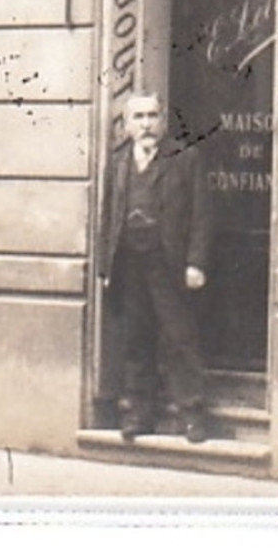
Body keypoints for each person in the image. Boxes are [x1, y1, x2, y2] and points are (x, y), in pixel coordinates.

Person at [97, 91, 214, 443]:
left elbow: (202, 215)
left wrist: (196, 262)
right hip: (129, 262)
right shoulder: (118, 162)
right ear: (126, 124)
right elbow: (109, 216)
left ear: (162, 120)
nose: (146, 124)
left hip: (169, 264)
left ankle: (192, 414)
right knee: (136, 339)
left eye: (152, 116)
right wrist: (105, 265)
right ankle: (138, 414)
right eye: (139, 117)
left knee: (180, 339)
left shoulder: (184, 158)